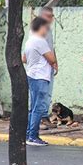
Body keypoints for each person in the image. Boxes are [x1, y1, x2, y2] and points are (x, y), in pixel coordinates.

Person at [22, 17, 57, 146]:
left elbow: (24, 59)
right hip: (40, 77)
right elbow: (52, 59)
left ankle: (28, 134)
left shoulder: (29, 41)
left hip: (31, 75)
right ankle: (33, 136)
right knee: (38, 108)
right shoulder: (40, 41)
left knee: (33, 107)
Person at [39, 6, 58, 130]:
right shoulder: (40, 30)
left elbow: (52, 47)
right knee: (41, 94)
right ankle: (41, 119)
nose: (51, 19)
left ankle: (44, 116)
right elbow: (42, 49)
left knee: (47, 93)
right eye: (49, 16)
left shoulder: (49, 30)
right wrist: (52, 61)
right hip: (42, 68)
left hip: (49, 66)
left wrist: (56, 62)